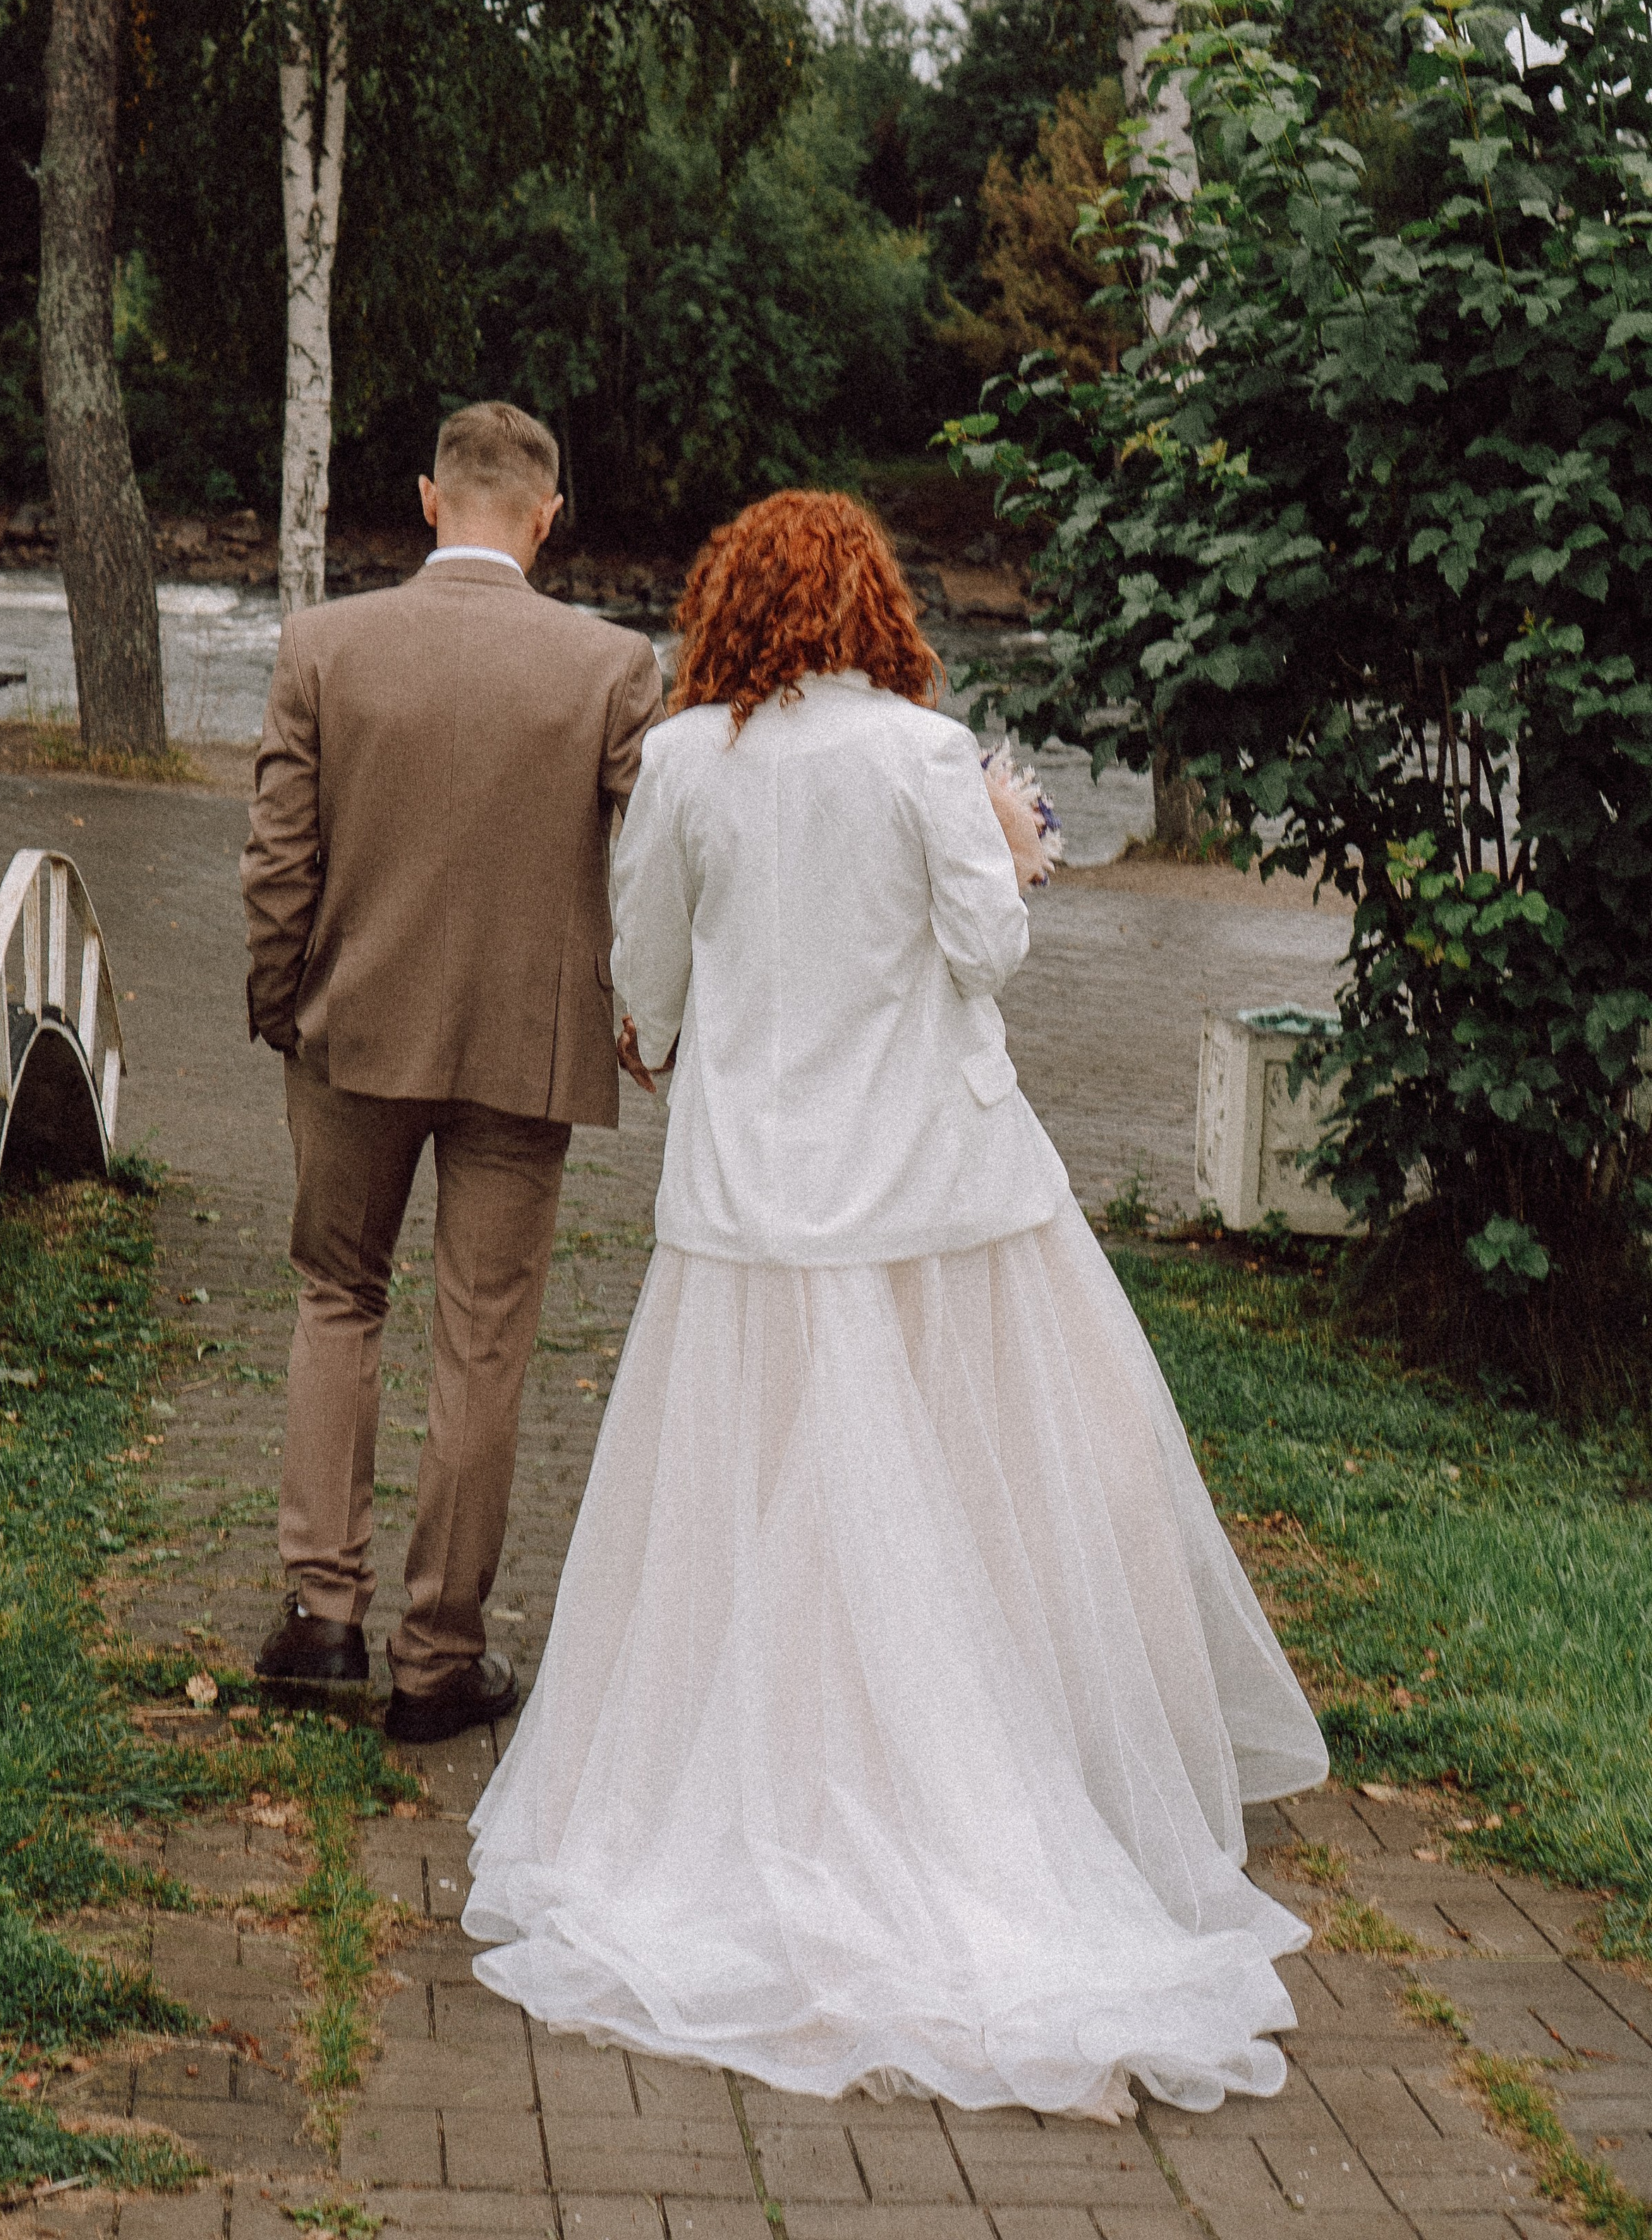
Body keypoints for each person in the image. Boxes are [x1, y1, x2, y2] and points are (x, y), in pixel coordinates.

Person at [462, 489, 1329, 2116]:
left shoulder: (687, 762)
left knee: (753, 1478)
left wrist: (660, 1029)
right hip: (930, 1188)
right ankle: (973, 1755)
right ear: (875, 608)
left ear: (726, 604)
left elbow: (643, 962)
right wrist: (1006, 842)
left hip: (752, 1197)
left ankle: (759, 1765)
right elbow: (984, 955)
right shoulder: (925, 756)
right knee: (956, 1472)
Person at [240, 401, 663, 1744]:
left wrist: (278, 1001)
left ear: (429, 499)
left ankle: (322, 1615)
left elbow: (277, 860)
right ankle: (440, 1655)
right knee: (482, 1342)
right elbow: (652, 872)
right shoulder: (614, 667)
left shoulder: (327, 645)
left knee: (337, 1298)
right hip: (523, 1053)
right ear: (547, 517)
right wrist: (641, 1013)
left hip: (351, 1030)